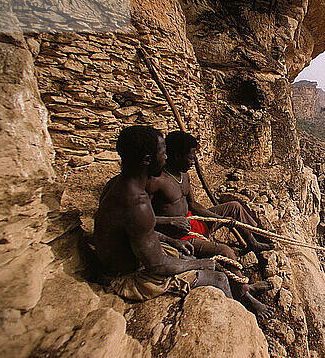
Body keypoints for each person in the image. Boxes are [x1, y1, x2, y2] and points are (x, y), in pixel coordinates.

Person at [93, 125, 231, 302]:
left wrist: (171, 241)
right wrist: (200, 263)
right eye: (163, 153)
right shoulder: (136, 203)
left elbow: (138, 230)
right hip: (128, 275)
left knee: (189, 255)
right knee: (219, 278)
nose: (166, 158)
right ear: (147, 160)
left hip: (138, 256)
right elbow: (156, 265)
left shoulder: (117, 184)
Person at [147, 131, 273, 318]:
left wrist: (220, 219)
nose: (194, 161)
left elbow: (193, 204)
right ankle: (245, 295)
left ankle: (252, 241)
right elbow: (144, 220)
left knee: (234, 207)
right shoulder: (156, 181)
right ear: (176, 156)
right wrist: (171, 222)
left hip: (193, 222)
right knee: (225, 252)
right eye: (190, 157)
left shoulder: (183, 175)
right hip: (181, 236)